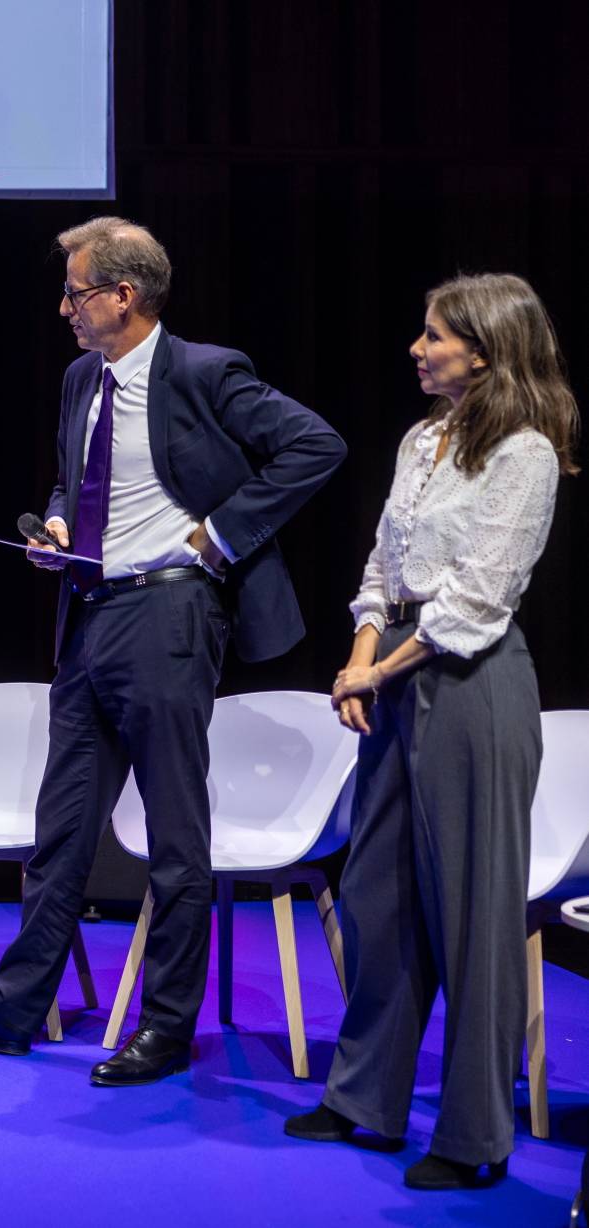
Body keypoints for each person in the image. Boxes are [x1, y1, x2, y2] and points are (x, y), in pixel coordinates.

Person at [0, 217, 346, 1085]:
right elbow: (73, 479)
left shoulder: (205, 372)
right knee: (62, 827)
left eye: (75, 292)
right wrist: (59, 524)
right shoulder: (82, 379)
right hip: (90, 613)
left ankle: (167, 1026)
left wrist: (225, 532)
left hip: (171, 613)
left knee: (175, 835)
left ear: (123, 295)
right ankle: (18, 1005)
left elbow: (315, 444)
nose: (63, 308)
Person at [286, 273, 577, 1189]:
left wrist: (378, 670)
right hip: (396, 671)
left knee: (474, 911)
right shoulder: (423, 439)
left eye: (436, 335)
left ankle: (474, 1136)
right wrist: (359, 657)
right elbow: (384, 567)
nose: (418, 348)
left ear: (484, 352)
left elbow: (480, 599)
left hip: (473, 682)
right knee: (376, 893)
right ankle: (365, 1100)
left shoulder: (524, 452)